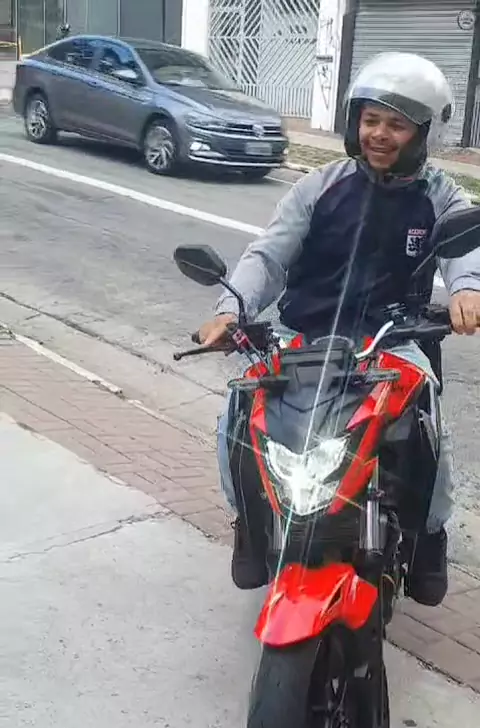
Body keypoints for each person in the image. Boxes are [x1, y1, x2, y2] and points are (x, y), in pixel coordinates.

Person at [198, 52, 480, 605]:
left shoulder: (440, 194)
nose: (379, 134)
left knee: (430, 425)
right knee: (239, 411)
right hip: (305, 338)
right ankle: (250, 525)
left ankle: (429, 536)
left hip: (392, 342)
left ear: (425, 132)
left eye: (396, 124)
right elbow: (269, 254)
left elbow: (465, 251)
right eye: (371, 120)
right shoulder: (319, 186)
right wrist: (231, 309)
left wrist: (467, 289)